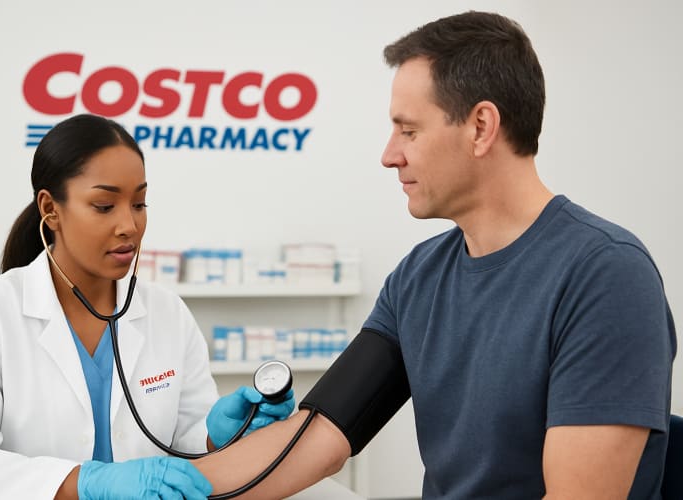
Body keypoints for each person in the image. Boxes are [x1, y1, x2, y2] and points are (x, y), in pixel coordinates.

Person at [191, 11, 677, 499]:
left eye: (409, 131)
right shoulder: (418, 278)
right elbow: (318, 438)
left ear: (481, 127)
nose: (388, 154)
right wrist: (168, 487)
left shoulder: (606, 275)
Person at [0, 114, 294, 500]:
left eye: (139, 203)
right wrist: (86, 483)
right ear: (50, 209)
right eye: (104, 205)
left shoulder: (167, 312)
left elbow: (182, 445)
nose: (129, 225)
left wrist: (217, 433)